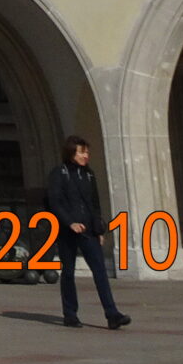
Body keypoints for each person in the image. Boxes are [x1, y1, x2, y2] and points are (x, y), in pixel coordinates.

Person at [44, 136, 129, 331]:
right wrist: (70, 222)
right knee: (68, 271)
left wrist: (99, 230)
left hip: (88, 230)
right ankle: (70, 314)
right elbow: (55, 202)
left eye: (87, 152)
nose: (86, 156)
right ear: (71, 153)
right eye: (82, 152)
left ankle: (112, 314)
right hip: (67, 230)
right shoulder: (59, 173)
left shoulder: (89, 174)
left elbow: (94, 204)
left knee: (100, 270)